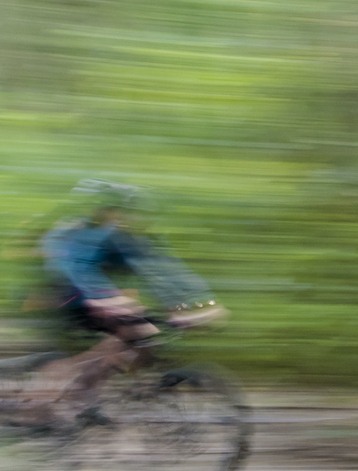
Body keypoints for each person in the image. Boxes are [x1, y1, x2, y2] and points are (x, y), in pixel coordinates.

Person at [13, 179, 227, 423]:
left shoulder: (125, 238)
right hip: (58, 300)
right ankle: (46, 402)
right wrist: (103, 298)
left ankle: (87, 399)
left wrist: (200, 302)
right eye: (123, 211)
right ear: (103, 211)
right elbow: (73, 268)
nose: (132, 218)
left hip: (92, 300)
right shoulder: (72, 233)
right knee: (131, 331)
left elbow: (162, 269)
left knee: (143, 335)